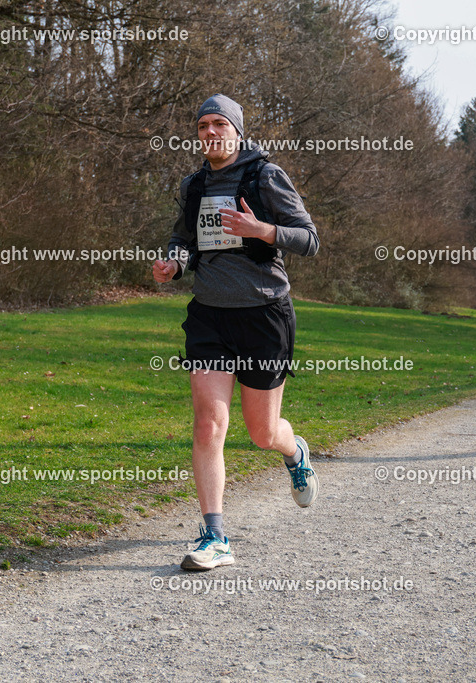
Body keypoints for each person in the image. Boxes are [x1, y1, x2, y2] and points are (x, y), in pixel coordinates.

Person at [151, 94, 320, 570]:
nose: (209, 132)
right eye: (202, 125)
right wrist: (174, 264)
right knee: (208, 424)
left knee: (263, 433)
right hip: (209, 315)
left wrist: (262, 229)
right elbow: (184, 239)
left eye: (218, 124)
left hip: (263, 315)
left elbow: (309, 238)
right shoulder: (194, 185)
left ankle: (295, 449)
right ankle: (214, 536)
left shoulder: (265, 176)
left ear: (237, 131)